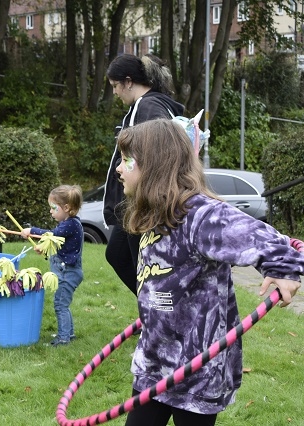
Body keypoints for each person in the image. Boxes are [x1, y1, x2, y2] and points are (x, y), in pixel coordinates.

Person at [115, 119, 303, 426]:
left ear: (154, 165)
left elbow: (261, 238)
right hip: (154, 361)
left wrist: (283, 266)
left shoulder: (200, 215)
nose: (119, 169)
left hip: (196, 373)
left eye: (126, 161)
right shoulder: (159, 212)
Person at [103, 54, 185, 296]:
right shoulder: (147, 105)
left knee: (145, 265)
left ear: (128, 82)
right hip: (134, 201)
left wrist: (147, 196)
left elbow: (159, 155)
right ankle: (154, 309)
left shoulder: (148, 107)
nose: (115, 92)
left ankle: (162, 311)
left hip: (143, 201)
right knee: (118, 255)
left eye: (116, 86)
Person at [21, 185, 84, 346]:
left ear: (67, 208)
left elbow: (51, 235)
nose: (51, 211)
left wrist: (31, 230)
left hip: (67, 273)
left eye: (53, 208)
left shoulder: (70, 224)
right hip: (66, 270)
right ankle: (69, 334)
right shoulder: (68, 223)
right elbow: (57, 244)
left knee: (60, 305)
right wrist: (43, 248)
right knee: (64, 304)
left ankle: (63, 338)